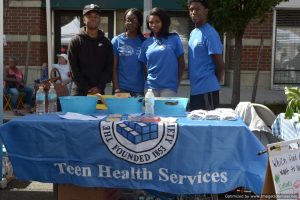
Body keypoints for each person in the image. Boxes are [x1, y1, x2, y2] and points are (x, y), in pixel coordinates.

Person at [138, 7, 185, 97]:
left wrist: (176, 83)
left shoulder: (174, 38)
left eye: (157, 21)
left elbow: (181, 63)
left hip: (169, 88)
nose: (154, 25)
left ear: (164, 22)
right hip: (150, 88)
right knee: (150, 111)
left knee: (166, 111)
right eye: (151, 22)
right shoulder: (146, 43)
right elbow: (143, 66)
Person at [68, 4, 113, 96]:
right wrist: (86, 88)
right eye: (89, 16)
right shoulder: (75, 41)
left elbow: (108, 68)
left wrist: (99, 86)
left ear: (100, 19)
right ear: (84, 19)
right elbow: (73, 69)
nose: (93, 18)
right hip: (79, 91)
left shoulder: (106, 43)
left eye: (96, 16)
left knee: (101, 111)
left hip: (99, 91)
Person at [187, 0, 225, 111]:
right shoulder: (193, 33)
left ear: (206, 11)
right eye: (191, 9)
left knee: (208, 126)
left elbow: (220, 65)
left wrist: (212, 83)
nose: (194, 12)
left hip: (207, 90)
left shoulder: (210, 33)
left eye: (197, 9)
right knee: (196, 125)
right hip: (195, 90)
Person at [111, 8, 146, 97]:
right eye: (128, 20)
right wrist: (117, 89)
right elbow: (113, 68)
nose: (130, 23)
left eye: (134, 20)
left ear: (139, 22)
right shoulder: (116, 41)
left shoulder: (144, 42)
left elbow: (146, 69)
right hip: (122, 89)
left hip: (139, 90)